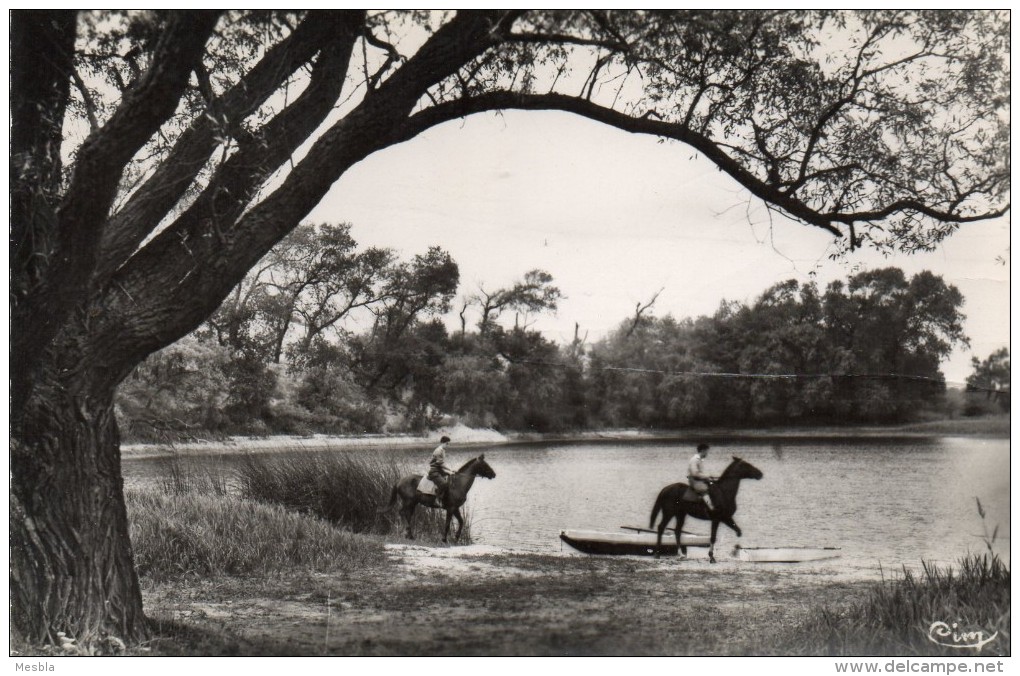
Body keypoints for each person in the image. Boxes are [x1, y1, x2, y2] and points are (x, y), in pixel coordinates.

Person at [687, 443, 715, 511]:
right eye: (706, 451)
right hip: (694, 480)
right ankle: (711, 508)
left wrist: (708, 477)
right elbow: (695, 473)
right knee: (704, 490)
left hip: (699, 480)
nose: (707, 454)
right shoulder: (695, 460)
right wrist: (707, 476)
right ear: (703, 451)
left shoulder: (700, 460)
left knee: (713, 486)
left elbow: (701, 473)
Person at [428, 436, 453, 507]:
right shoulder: (438, 451)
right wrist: (450, 470)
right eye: (447, 444)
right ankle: (436, 499)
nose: (448, 445)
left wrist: (450, 471)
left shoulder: (443, 450)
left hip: (439, 470)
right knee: (444, 484)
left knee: (451, 478)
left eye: (448, 444)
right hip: (434, 471)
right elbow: (441, 463)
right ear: (443, 443)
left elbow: (442, 464)